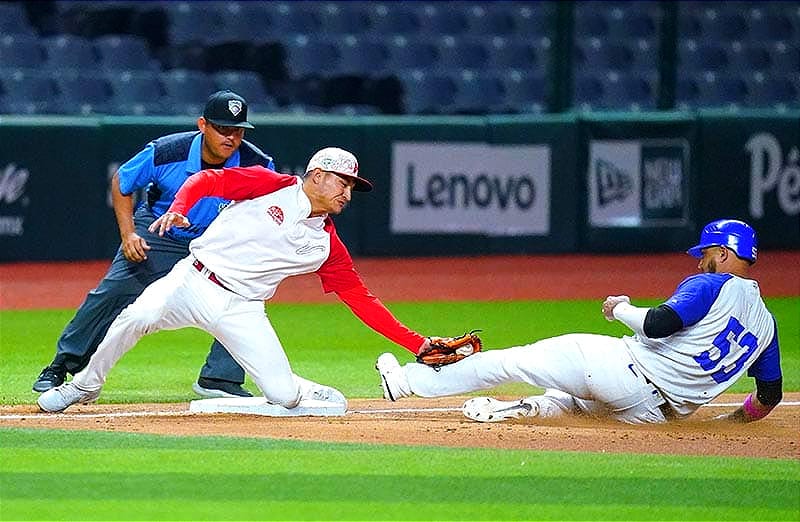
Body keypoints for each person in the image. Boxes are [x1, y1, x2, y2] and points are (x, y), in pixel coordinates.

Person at [38, 147, 435, 413]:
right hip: (192, 280)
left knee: (282, 396)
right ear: (315, 176)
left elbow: (362, 300)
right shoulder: (273, 185)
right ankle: (85, 386)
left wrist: (418, 343)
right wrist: (179, 207)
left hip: (242, 308)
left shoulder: (327, 246)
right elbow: (209, 181)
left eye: (351, 187)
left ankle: (293, 385)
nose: (347, 192)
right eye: (341, 181)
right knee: (134, 317)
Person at [376, 219, 783, 425]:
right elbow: (769, 397)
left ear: (727, 253)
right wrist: (727, 422)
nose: (700, 260)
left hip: (620, 368)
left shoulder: (712, 283)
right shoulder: (766, 325)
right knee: (568, 402)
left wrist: (620, 309)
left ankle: (408, 382)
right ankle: (522, 410)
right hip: (650, 413)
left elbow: (659, 324)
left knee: (512, 362)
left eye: (707, 252)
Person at [32, 90, 274, 399]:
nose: (230, 137)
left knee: (247, 292)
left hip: (217, 241)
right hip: (161, 232)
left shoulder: (258, 163)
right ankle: (61, 366)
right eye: (222, 129)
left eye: (237, 130)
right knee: (113, 291)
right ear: (203, 125)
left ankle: (220, 378)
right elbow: (122, 182)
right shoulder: (167, 151)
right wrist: (128, 234)